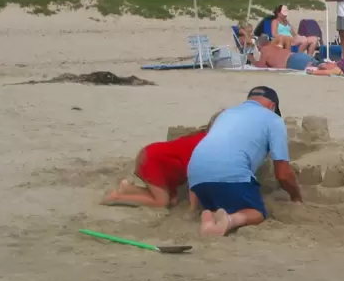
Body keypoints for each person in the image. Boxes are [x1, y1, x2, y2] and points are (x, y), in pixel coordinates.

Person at [187, 86, 302, 237]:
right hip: (230, 174)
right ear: (272, 106)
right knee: (256, 213)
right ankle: (230, 220)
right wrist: (296, 197)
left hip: (195, 176)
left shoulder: (226, 114)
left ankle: (210, 215)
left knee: (224, 201)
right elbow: (283, 174)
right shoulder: (273, 119)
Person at [101, 110, 223, 208]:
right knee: (161, 202)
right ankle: (115, 197)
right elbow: (194, 175)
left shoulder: (203, 137)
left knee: (172, 200)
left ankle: (128, 189)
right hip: (152, 160)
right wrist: (192, 209)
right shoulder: (205, 144)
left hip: (152, 155)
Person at [251, 35, 320, 71]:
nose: (258, 50)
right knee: (319, 64)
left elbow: (261, 66)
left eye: (258, 47)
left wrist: (252, 60)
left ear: (260, 45)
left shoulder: (264, 49)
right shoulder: (274, 47)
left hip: (292, 61)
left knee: (315, 67)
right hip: (297, 55)